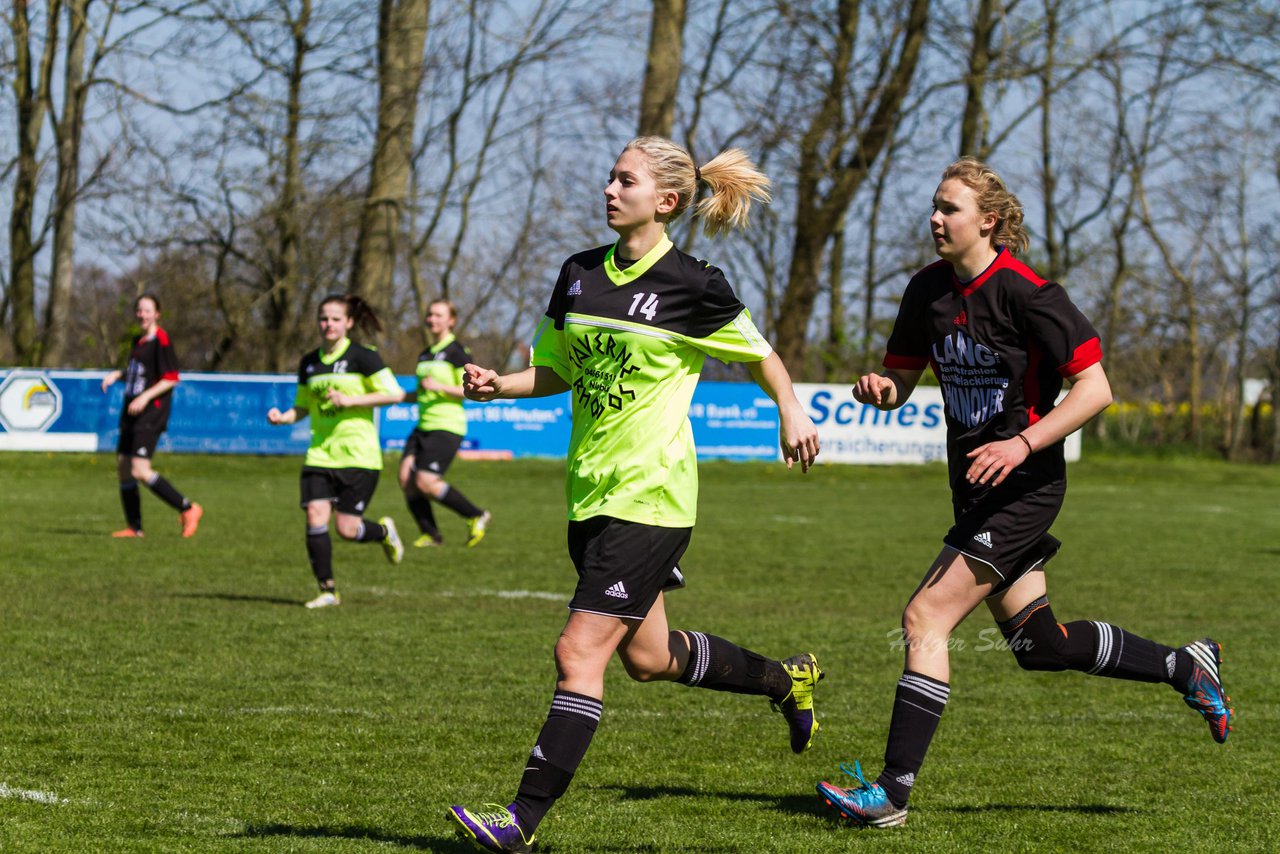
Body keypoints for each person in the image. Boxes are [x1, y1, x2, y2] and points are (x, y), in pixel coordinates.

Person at [816, 158, 1233, 829]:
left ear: (989, 220)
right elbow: (899, 381)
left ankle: (892, 793)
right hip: (975, 490)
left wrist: (1022, 443)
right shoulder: (926, 291)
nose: (935, 218)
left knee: (924, 618)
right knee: (1041, 645)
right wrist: (879, 390)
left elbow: (1096, 389)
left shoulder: (1028, 292)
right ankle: (1185, 666)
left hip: (1025, 487)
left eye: (949, 208)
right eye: (933, 206)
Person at [446, 137, 824, 854]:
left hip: (651, 500)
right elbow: (554, 371)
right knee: (649, 659)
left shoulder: (693, 283)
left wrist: (791, 408)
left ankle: (518, 822)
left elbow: (762, 356)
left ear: (667, 201)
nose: (610, 188)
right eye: (610, 176)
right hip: (588, 495)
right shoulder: (578, 275)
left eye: (626, 179)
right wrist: (501, 383)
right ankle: (787, 680)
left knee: (577, 653)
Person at [267, 294, 406, 609]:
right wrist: (283, 418)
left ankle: (383, 531)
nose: (327, 324)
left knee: (346, 528)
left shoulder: (363, 357)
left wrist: (350, 400)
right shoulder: (309, 363)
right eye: (323, 318)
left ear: (349, 322)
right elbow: (302, 407)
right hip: (319, 454)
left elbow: (395, 394)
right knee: (315, 517)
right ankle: (327, 590)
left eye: (334, 318)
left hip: (359, 455)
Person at [101, 293, 203, 539]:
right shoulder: (139, 341)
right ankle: (135, 528)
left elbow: (171, 378)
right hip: (131, 412)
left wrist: (145, 397)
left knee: (139, 468)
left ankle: (188, 508)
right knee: (124, 466)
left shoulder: (161, 340)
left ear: (157, 314)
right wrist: (118, 374)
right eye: (139, 310)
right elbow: (140, 374)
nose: (142, 315)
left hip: (151, 412)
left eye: (147, 310)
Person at [398, 299, 491, 549]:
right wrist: (392, 398)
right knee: (406, 477)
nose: (432, 319)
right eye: (429, 314)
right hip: (423, 424)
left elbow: (470, 389)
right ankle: (431, 534)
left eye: (438, 315)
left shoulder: (457, 351)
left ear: (451, 320)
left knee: (426, 481)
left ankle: (476, 514)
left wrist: (438, 387)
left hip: (446, 425)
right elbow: (422, 391)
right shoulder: (425, 353)